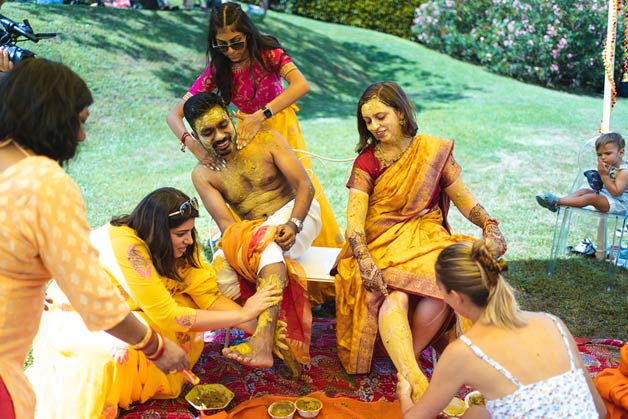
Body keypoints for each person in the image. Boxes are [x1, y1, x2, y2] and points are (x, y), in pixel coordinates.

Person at [0, 59, 189, 419]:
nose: (82, 137)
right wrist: (156, 347)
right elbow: (93, 296)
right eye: (80, 122)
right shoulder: (44, 182)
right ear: (52, 117)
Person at [26, 187, 280, 418]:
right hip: (77, 318)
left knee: (186, 304)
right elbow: (169, 316)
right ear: (157, 232)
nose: (190, 240)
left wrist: (262, 331)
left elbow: (209, 297)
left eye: (191, 231)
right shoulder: (127, 247)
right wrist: (243, 313)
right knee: (123, 349)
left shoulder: (177, 250)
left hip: (126, 311)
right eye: (181, 233)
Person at [333, 81, 507, 403]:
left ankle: (406, 359)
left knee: (444, 287)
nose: (375, 126)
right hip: (381, 242)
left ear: (400, 112)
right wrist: (365, 260)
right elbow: (354, 224)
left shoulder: (431, 150)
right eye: (368, 121)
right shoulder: (367, 163)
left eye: (381, 116)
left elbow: (463, 198)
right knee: (395, 294)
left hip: (427, 236)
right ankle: (412, 374)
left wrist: (489, 225)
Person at [166, 1, 343, 249]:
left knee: (298, 187)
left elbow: (301, 85)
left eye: (236, 42)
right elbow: (173, 116)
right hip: (244, 132)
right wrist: (195, 146)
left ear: (248, 34)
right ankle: (259, 246)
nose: (230, 50)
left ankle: (316, 252)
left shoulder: (267, 53)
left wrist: (261, 115)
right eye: (222, 44)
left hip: (279, 123)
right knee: (253, 190)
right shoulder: (219, 68)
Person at [184, 91, 321, 377]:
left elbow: (305, 186)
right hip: (252, 234)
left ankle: (261, 342)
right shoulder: (204, 174)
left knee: (267, 245)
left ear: (232, 116)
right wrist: (244, 249)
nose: (219, 136)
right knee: (217, 277)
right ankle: (270, 337)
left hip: (299, 216)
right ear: (196, 138)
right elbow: (228, 228)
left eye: (222, 125)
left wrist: (294, 224)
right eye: (207, 133)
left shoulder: (267, 140)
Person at [396, 239, 607, 419]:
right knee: (477, 414)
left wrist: (404, 393)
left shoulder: (463, 352)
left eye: (442, 292)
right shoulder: (553, 323)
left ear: (457, 297)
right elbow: (600, 411)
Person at [536, 132, 628, 214]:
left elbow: (616, 193)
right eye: (599, 154)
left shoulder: (624, 171)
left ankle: (558, 202)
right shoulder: (611, 165)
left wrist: (603, 175)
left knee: (591, 198)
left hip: (618, 204)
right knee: (584, 191)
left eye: (607, 153)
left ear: (621, 152)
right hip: (606, 197)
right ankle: (559, 203)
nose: (603, 157)